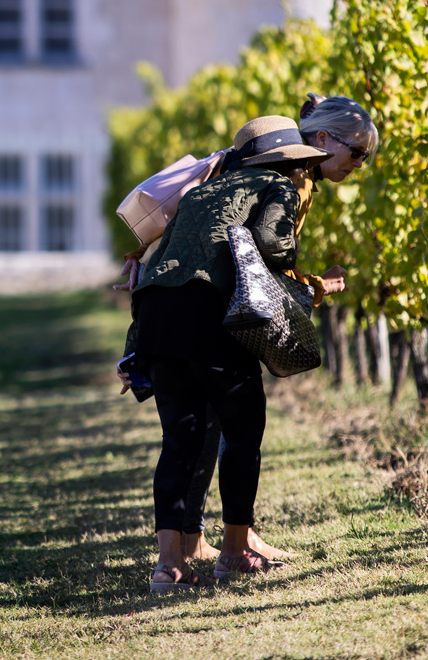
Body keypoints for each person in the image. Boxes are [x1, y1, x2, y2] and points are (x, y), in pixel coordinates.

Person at [125, 110, 374, 592]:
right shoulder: (276, 186)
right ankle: (235, 550)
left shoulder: (199, 193)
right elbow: (272, 245)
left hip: (156, 318)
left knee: (180, 440)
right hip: (208, 316)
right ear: (288, 161)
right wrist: (298, 266)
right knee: (242, 428)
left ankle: (168, 567)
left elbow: (157, 261)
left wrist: (134, 348)